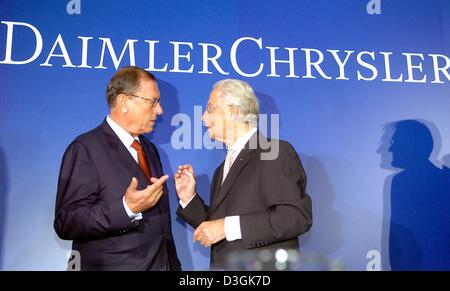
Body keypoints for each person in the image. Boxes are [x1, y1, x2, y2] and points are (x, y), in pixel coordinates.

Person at [174, 79, 312, 270]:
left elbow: (294, 217)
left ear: (232, 113)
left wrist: (226, 227)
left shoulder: (274, 152)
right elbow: (216, 229)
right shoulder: (221, 170)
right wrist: (189, 198)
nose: (203, 118)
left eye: (211, 109)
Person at [54, 66, 181, 271]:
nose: (160, 110)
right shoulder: (86, 148)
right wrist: (126, 208)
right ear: (123, 102)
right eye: (153, 101)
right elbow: (67, 221)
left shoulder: (149, 149)